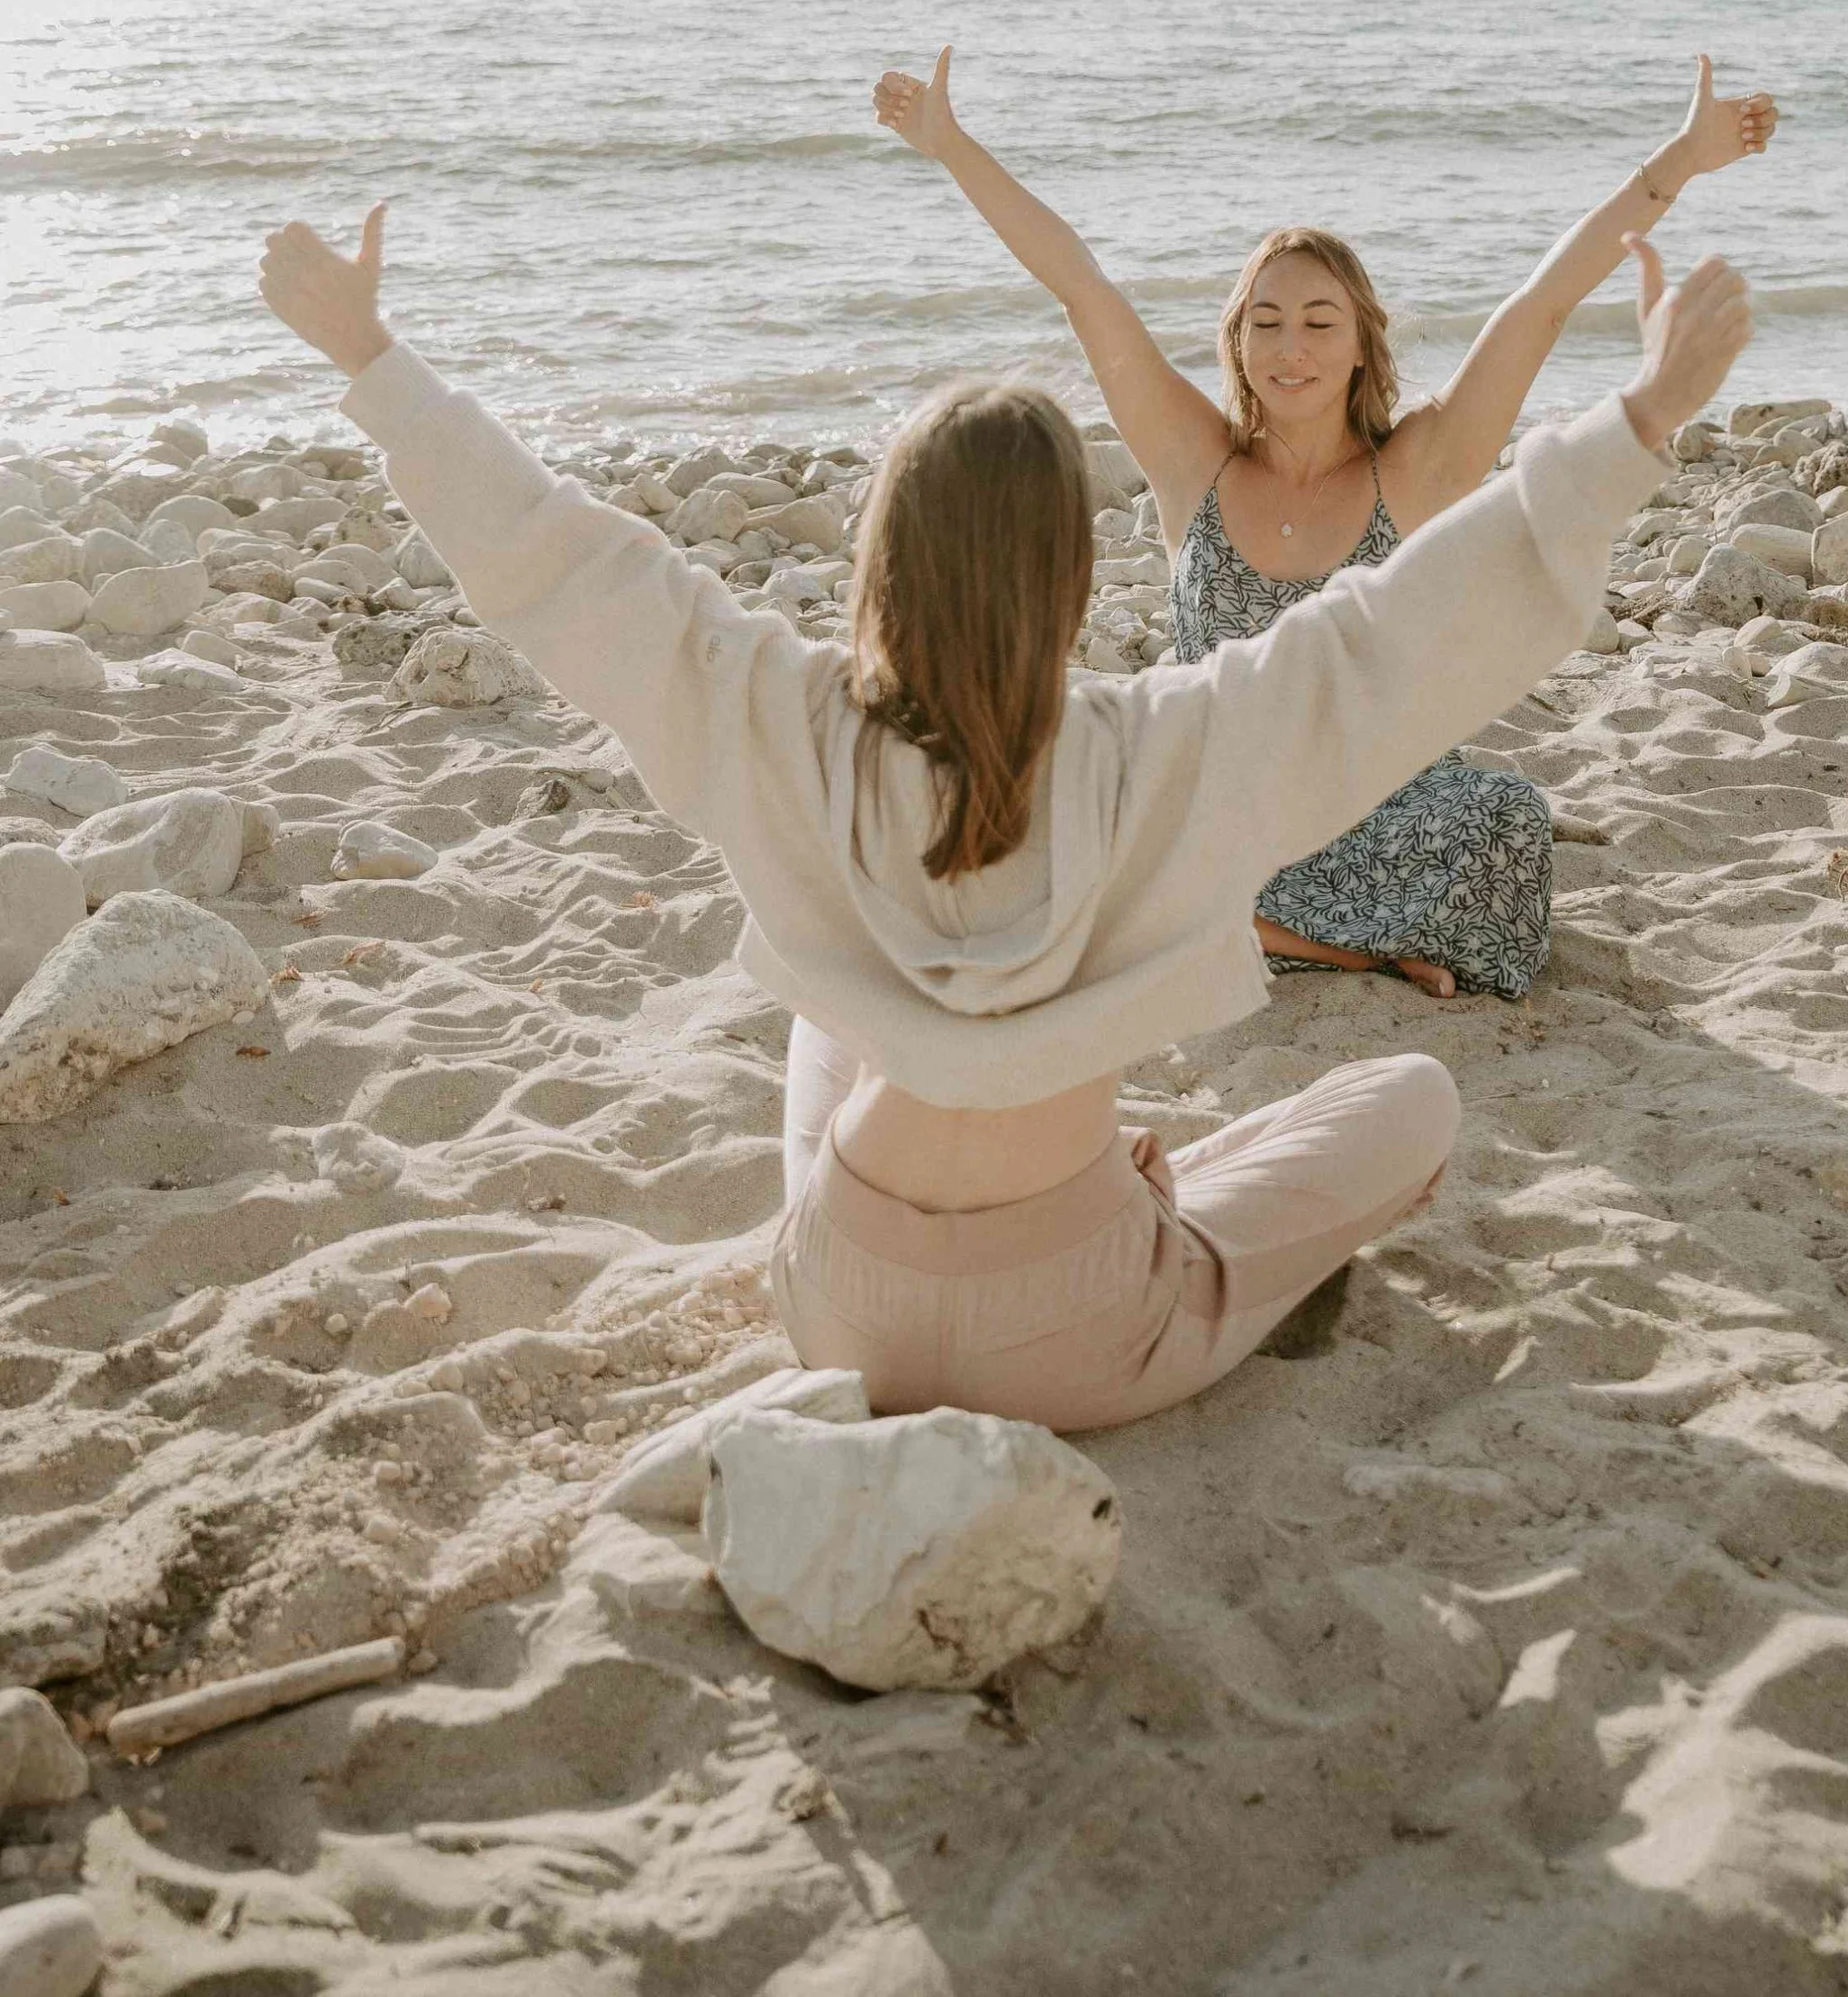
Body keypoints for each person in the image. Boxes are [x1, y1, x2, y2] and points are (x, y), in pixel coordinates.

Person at [258, 204, 1749, 1430]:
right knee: (1410, 1101)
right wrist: (1644, 414)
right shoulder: (1169, 745)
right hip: (1085, 1331)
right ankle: (1124, 1181)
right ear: (1071, 581)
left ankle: (994, 1182)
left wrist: (368, 355)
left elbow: (566, 562)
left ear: (880, 560)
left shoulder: (782, 719)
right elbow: (1393, 634)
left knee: (824, 1010)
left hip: (838, 1309)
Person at [872, 49, 1779, 998]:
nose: (1289, 347)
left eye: (1316, 322)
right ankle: (1325, 943)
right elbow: (1081, 285)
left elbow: (1541, 304)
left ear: (1359, 346)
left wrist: (1679, 156)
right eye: (1264, 322)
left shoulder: (1417, 463)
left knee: (1505, 816)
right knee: (1062, 780)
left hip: (1365, 794)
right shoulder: (1196, 458)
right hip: (1209, 788)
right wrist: (950, 145)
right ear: (1236, 339)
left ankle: (1236, 924)